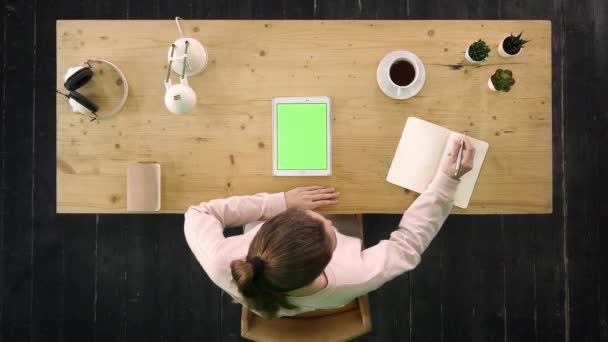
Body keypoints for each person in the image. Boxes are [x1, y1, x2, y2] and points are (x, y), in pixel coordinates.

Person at [184, 137, 475, 318]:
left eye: (309, 215)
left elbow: (198, 212)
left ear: (269, 229)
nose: (328, 218)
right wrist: (447, 182)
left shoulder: (220, 262)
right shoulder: (354, 276)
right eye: (331, 230)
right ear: (325, 263)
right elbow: (406, 246)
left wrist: (279, 200)